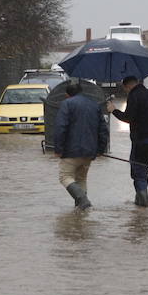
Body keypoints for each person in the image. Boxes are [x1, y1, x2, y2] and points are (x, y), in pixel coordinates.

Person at [50, 80, 109, 210]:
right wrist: (100, 149)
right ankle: (81, 211)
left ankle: (83, 201)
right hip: (90, 151)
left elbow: (60, 127)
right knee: (81, 178)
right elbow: (103, 129)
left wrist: (58, 149)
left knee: (65, 177)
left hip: (71, 150)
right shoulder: (94, 105)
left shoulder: (67, 104)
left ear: (67, 95)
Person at [110, 75, 148, 206]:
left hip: (141, 140)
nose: (126, 91)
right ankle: (139, 205)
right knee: (143, 169)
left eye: (125, 89)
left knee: (137, 170)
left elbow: (128, 118)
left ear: (127, 86)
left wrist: (114, 110)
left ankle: (144, 204)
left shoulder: (134, 96)